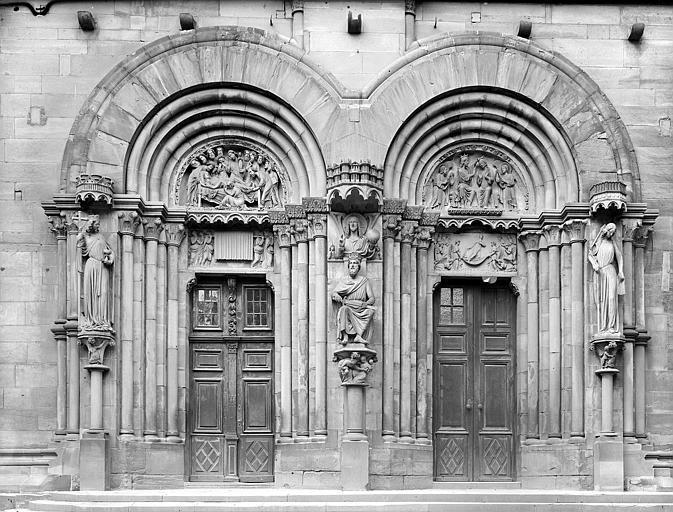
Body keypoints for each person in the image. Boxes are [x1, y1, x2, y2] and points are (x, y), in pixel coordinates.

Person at [77, 217, 114, 332]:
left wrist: (110, 258)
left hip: (103, 267)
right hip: (91, 265)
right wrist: (80, 232)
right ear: (91, 224)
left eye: (99, 224)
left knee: (103, 292)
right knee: (91, 293)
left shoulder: (101, 237)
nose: (98, 226)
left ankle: (103, 321)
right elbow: (78, 247)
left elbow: (110, 251)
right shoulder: (86, 237)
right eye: (97, 224)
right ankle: (91, 320)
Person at [588, 223, 624, 335]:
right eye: (610, 231)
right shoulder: (598, 242)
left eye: (613, 233)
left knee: (611, 298)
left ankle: (611, 326)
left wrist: (621, 271)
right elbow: (590, 254)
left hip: (611, 271)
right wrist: (594, 264)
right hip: (600, 273)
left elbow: (619, 257)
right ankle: (603, 327)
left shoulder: (613, 243)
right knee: (602, 300)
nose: (612, 234)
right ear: (606, 230)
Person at [332, 257, 376, 345]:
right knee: (344, 309)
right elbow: (334, 293)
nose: (352, 265)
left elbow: (372, 298)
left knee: (370, 311)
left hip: (360, 307)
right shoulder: (345, 280)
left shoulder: (364, 281)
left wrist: (365, 304)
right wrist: (336, 296)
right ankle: (345, 336)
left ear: (358, 267)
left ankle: (358, 336)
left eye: (355, 263)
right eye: (350, 264)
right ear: (348, 267)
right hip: (348, 306)